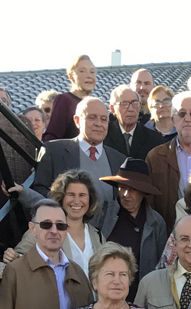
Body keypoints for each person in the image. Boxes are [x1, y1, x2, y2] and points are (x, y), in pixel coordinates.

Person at [30, 97, 125, 232]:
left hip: (106, 241)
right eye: (92, 118)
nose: (99, 124)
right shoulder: (54, 151)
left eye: (104, 119)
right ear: (77, 121)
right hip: (63, 236)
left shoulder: (119, 160)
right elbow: (40, 190)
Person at [5, 169, 105, 274]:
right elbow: (18, 258)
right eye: (71, 194)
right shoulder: (44, 228)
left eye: (82, 195)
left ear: (90, 199)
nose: (76, 201)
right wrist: (12, 256)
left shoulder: (98, 236)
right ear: (61, 198)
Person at [144, 93, 191, 228]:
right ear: (173, 119)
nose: (187, 119)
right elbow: (149, 204)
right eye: (182, 113)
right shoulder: (155, 157)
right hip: (170, 231)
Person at [100, 158, 169, 288]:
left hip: (142, 293)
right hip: (108, 290)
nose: (126, 194)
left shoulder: (156, 223)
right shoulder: (103, 215)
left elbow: (162, 266)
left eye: (132, 189)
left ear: (143, 192)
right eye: (122, 188)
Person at [43, 55, 97, 142]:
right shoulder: (64, 100)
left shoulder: (96, 105)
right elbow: (52, 137)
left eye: (92, 72)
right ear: (71, 76)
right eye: (82, 71)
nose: (89, 76)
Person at [105, 86, 163, 159]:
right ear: (112, 109)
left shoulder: (155, 139)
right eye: (124, 104)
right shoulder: (103, 135)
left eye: (135, 103)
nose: (131, 109)